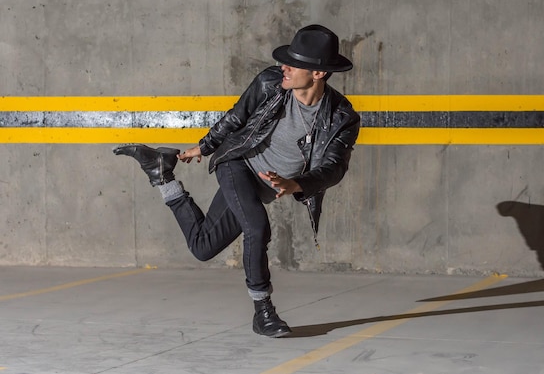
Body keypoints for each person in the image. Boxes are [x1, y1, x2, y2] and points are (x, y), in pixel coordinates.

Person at [114, 24, 360, 338]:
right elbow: (236, 117)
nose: (283, 67)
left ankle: (162, 175)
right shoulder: (271, 83)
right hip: (238, 163)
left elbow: (334, 168)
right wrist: (203, 147)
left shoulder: (342, 117)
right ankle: (263, 312)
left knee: (203, 247)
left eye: (293, 64)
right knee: (256, 227)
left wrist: (295, 185)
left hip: (268, 186)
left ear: (318, 74)